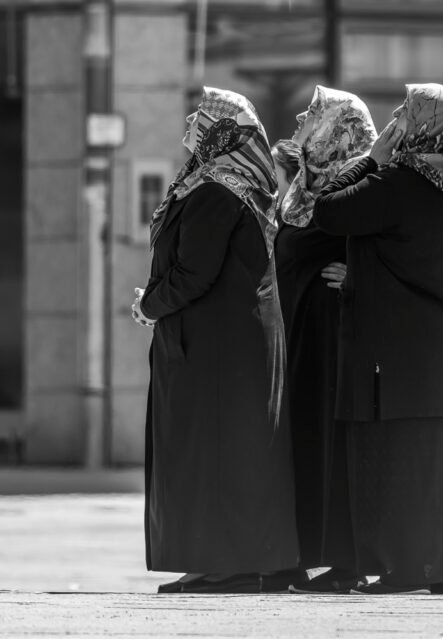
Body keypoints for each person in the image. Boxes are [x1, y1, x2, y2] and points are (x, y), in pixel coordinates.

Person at [313, 83, 443, 596]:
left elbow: (327, 210)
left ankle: (401, 567)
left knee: (396, 452)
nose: (396, 116)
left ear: (422, 126)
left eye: (407, 110)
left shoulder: (398, 182)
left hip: (396, 351)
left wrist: (369, 161)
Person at [132, 86, 299, 593]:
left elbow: (194, 272)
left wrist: (148, 305)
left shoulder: (215, 191)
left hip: (215, 349)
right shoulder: (232, 186)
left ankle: (223, 565)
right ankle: (228, 562)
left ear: (224, 133)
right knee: (223, 450)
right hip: (224, 343)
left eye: (202, 117)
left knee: (213, 451)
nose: (191, 125)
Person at [269, 86, 378, 594]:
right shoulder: (304, 186)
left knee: (331, 443)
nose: (301, 118)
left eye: (314, 113)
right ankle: (297, 554)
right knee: (300, 440)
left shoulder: (363, 185)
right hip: (297, 333)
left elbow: (392, 246)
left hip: (333, 336)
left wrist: (362, 276)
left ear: (337, 127)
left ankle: (345, 561)